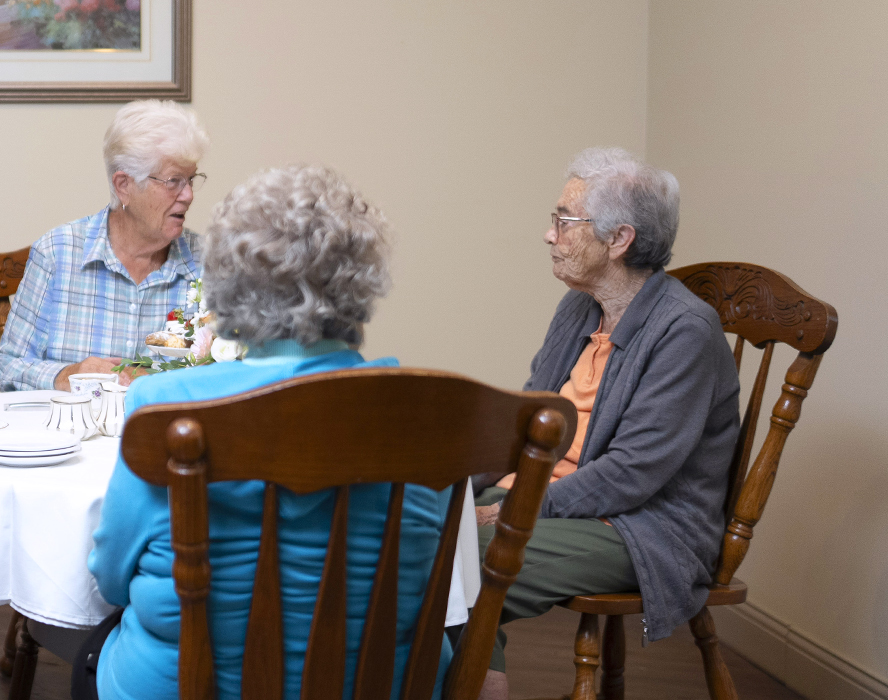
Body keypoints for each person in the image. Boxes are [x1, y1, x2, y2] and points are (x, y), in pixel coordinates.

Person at [83, 165, 454, 698]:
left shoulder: (166, 405)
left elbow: (112, 580)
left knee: (92, 654)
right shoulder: (428, 412)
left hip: (190, 686)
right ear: (361, 281)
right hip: (377, 686)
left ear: (225, 283)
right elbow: (424, 583)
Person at [469, 148, 740, 700]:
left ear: (619, 240)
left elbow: (630, 475)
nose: (550, 235)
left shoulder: (685, 329)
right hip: (552, 498)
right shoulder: (579, 306)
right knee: (411, 529)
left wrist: (507, 510)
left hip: (640, 526)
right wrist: (455, 484)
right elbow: (531, 420)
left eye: (564, 221)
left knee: (460, 560)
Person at [0, 99, 209, 391]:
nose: (188, 195)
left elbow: (232, 373)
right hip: (74, 421)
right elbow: (7, 365)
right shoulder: (58, 253)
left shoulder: (209, 262)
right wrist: (67, 375)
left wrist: (164, 383)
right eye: (173, 181)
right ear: (123, 185)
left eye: (191, 179)